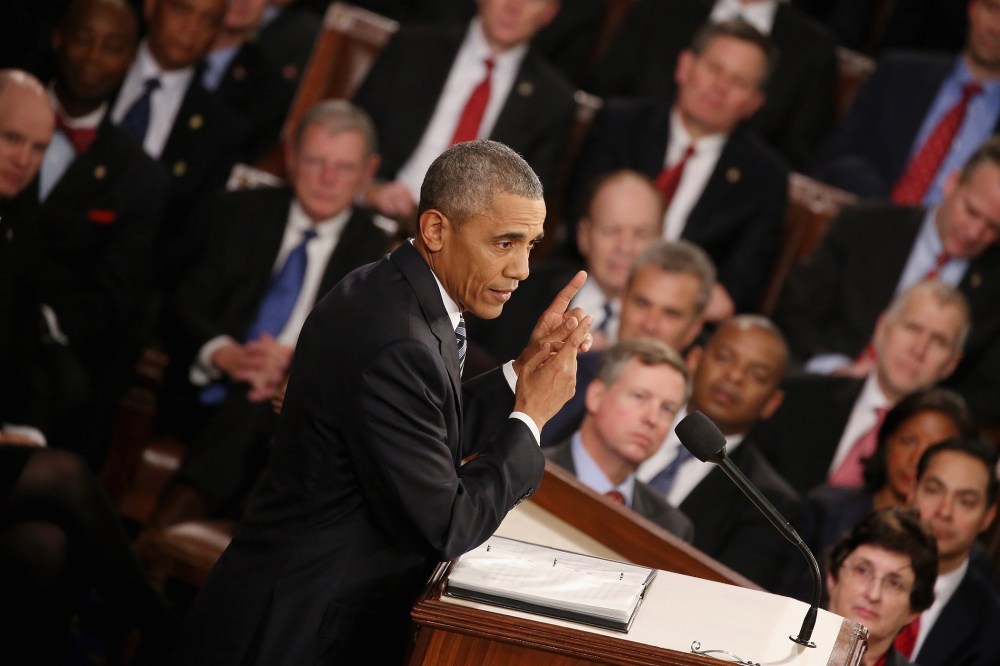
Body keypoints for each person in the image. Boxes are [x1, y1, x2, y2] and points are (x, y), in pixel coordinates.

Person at [170, 140, 594, 665]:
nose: (523, 270)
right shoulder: (397, 339)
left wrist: (520, 373)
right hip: (296, 629)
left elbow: (423, 425)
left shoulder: (392, 290)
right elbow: (447, 525)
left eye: (531, 244)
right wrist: (530, 416)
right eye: (505, 243)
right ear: (437, 229)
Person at [150, 100, 391, 527]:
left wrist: (294, 367)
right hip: (204, 392)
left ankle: (163, 537)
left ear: (368, 172)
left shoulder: (378, 258)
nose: (327, 178)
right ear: (293, 157)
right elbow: (184, 302)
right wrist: (224, 353)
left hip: (296, 418)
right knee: (253, 404)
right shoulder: (239, 212)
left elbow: (369, 354)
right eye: (316, 161)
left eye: (343, 167)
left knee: (266, 403)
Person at [24, 0, 169, 465]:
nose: (92, 57)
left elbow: (112, 299)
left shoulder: (140, 179)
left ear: (131, 59)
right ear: (58, 39)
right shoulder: (5, 110)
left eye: (112, 47)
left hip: (46, 360)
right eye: (84, 38)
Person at [569, 18, 788, 315]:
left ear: (755, 103)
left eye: (739, 82)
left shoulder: (765, 178)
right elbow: (577, 221)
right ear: (684, 66)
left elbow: (736, 291)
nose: (720, 87)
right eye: (714, 69)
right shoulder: (620, 124)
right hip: (583, 289)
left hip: (674, 320)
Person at [777, 137, 1000, 423]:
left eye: (993, 227)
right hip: (819, 390)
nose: (973, 232)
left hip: (907, 429)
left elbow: (989, 392)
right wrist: (835, 370)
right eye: (971, 211)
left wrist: (920, 406)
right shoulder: (866, 226)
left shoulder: (994, 289)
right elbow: (796, 310)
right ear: (952, 184)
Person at [353, 0, 575, 223]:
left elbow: (529, 203)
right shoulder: (413, 47)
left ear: (549, 13)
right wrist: (370, 191)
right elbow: (353, 134)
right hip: (373, 217)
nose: (514, 6)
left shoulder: (553, 100)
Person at [759, 280, 970, 495]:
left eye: (938, 341)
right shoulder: (799, 396)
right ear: (882, 329)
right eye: (912, 328)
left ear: (951, 363)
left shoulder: (947, 459)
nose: (919, 349)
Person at [637, 315, 799, 589]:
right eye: (724, 358)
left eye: (757, 375)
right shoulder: (627, 414)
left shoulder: (769, 503)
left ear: (773, 402)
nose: (734, 376)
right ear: (695, 359)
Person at [781, 388, 976, 601]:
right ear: (886, 442)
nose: (916, 459)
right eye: (908, 441)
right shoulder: (824, 510)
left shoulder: (964, 557)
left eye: (933, 449)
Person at [588, 0, 837, 167]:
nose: (721, 86)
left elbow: (795, 158)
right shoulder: (661, 7)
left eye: (739, 81)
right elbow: (601, 97)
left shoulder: (814, 51)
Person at [809, 0, 1000, 205]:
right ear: (973, 8)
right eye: (992, 9)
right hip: (867, 217)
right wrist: (888, 214)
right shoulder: (898, 74)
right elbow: (836, 156)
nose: (996, 28)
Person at [110, 0, 245, 283]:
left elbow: (189, 240)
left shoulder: (220, 128)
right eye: (182, 9)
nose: (190, 29)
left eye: (208, 21)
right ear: (150, 7)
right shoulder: (90, 67)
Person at [470, 169, 664, 363]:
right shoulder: (518, 289)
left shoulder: (670, 324)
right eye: (611, 230)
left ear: (661, 239)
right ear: (584, 235)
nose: (625, 248)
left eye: (641, 234)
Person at [541, 239, 716, 445]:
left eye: (671, 314)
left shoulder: (692, 427)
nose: (650, 325)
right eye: (642, 303)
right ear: (622, 301)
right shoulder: (567, 371)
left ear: (695, 328)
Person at [545, 339, 695, 541]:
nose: (652, 419)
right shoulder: (526, 472)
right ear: (596, 396)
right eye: (640, 396)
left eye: (667, 409)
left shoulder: (671, 529)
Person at [902, 438, 1000, 665]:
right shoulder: (849, 572)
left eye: (965, 502)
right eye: (934, 490)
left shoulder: (992, 628)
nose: (945, 511)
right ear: (912, 491)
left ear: (988, 516)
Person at [0, 69, 56, 444]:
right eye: (11, 138)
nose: (24, 159)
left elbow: (19, 347)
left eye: (38, 148)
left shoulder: (22, 229)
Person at [825, 507, 938, 666]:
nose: (873, 594)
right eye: (862, 571)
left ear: (914, 611)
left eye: (894, 583)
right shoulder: (778, 643)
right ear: (832, 577)